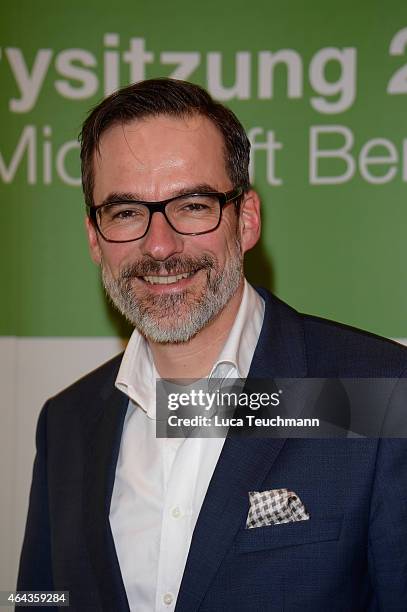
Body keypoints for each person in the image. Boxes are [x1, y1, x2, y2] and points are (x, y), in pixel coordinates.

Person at [17, 78, 407, 611]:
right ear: (94, 238)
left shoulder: (379, 395)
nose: (159, 245)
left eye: (193, 205)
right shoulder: (65, 423)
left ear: (246, 219)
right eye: (127, 212)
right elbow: (40, 600)